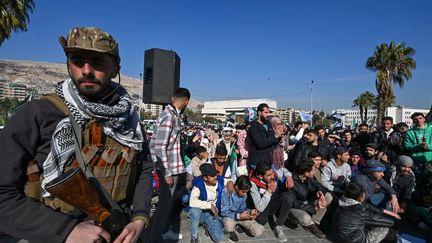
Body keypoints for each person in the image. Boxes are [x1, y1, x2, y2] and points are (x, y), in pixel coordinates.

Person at [0, 27, 153, 242]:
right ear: (68, 64)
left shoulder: (130, 120)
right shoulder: (38, 114)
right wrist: (66, 230)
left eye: (98, 62)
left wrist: (139, 217)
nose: (87, 70)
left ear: (116, 67)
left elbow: (145, 169)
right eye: (78, 61)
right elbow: (3, 194)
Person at [150, 87, 191, 242]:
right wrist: (166, 172)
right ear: (186, 101)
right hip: (168, 169)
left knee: (167, 205)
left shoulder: (172, 115)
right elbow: (160, 146)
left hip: (172, 167)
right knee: (163, 206)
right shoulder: (169, 117)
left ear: (173, 98)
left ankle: (165, 232)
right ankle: (156, 238)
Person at [333, 183, 398, 243]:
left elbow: (366, 205)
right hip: (356, 240)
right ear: (360, 198)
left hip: (341, 237)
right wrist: (395, 219)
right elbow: (389, 222)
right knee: (386, 229)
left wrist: (384, 211)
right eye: (364, 195)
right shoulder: (359, 211)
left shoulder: (343, 202)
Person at [248, 161, 293, 242]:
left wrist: (288, 176)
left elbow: (283, 170)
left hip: (274, 202)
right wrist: (268, 191)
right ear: (260, 176)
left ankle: (278, 226)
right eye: (268, 175)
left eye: (272, 173)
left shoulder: (274, 174)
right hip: (263, 206)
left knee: (288, 196)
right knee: (260, 223)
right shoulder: (253, 184)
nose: (272, 176)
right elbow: (259, 207)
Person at [288, 159, 332, 239]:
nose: (315, 172)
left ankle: (313, 223)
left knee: (328, 196)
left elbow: (319, 185)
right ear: (306, 173)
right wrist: (313, 208)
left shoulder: (310, 177)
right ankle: (291, 219)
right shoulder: (291, 182)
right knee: (305, 218)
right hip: (295, 206)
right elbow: (293, 203)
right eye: (313, 170)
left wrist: (320, 192)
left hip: (308, 201)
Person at [220, 175, 265, 242]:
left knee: (259, 231)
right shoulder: (226, 191)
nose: (244, 194)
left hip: (240, 216)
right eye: (243, 192)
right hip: (230, 216)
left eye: (246, 192)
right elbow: (224, 212)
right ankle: (231, 232)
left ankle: (238, 225)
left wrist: (249, 212)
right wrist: (238, 216)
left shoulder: (244, 193)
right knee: (229, 226)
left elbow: (243, 208)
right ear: (236, 187)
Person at [189, 163, 225, 243]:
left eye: (215, 174)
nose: (215, 177)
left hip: (211, 213)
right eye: (212, 176)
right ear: (205, 178)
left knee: (219, 238)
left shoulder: (219, 180)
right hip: (200, 212)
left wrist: (230, 182)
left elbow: (228, 180)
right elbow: (192, 202)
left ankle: (207, 225)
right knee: (195, 211)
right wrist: (209, 205)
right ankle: (194, 236)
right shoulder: (198, 184)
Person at [247, 103, 280, 168]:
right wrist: (275, 137)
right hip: (257, 162)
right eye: (266, 112)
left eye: (269, 112)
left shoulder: (269, 124)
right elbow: (260, 143)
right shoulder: (253, 126)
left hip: (268, 160)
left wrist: (280, 137)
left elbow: (272, 142)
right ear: (259, 113)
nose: (268, 115)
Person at [403, 112, 432, 186]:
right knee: (417, 182)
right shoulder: (409, 133)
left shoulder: (431, 129)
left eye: (420, 118)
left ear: (424, 119)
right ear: (413, 121)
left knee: (429, 183)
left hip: (430, 160)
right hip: (416, 161)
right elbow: (406, 147)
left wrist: (427, 146)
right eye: (415, 119)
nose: (418, 120)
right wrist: (419, 146)